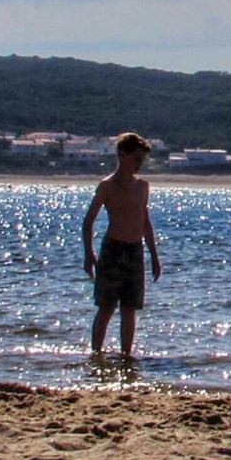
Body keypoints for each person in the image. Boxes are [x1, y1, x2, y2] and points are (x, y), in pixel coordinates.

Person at [82, 132, 161, 358]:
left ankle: (126, 355)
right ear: (122, 155)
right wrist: (89, 254)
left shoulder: (142, 186)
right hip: (113, 250)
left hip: (135, 251)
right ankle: (96, 354)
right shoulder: (107, 186)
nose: (139, 164)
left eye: (142, 160)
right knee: (106, 306)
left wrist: (154, 256)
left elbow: (145, 222)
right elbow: (88, 222)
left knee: (130, 308)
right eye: (136, 159)